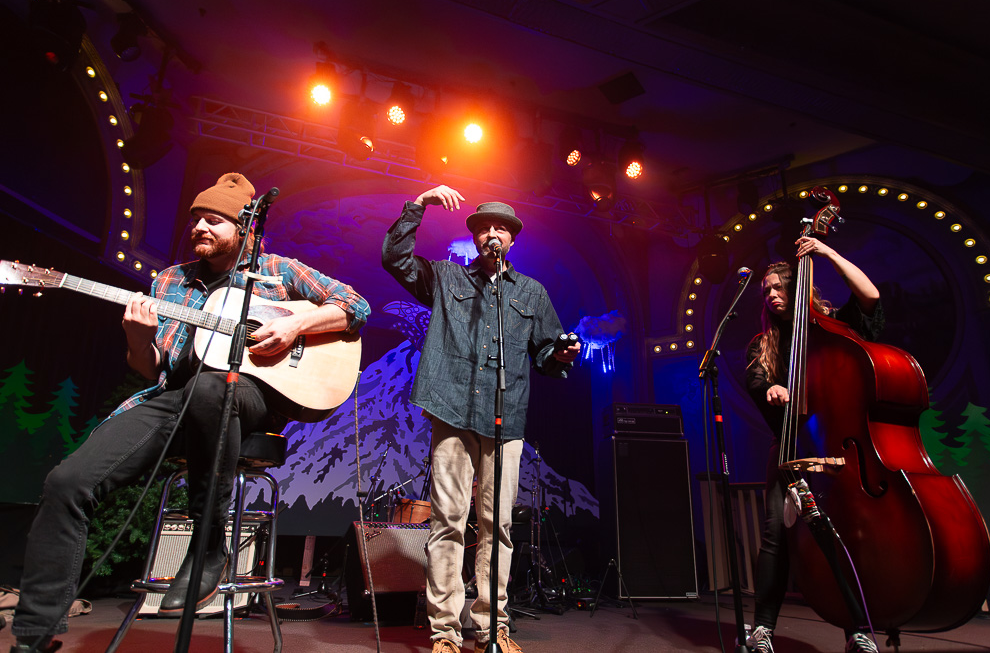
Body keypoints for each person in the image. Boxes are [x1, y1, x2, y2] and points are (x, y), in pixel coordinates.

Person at [9, 173, 370, 652]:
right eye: (196, 218)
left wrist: (295, 324)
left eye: (214, 219)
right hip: (170, 400)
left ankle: (207, 543)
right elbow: (153, 367)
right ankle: (34, 636)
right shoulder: (169, 280)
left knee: (210, 387)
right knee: (67, 483)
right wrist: (138, 338)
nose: (200, 226)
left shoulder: (279, 271)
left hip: (250, 397)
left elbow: (355, 305)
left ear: (242, 227)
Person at [382, 185, 580, 653]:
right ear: (475, 237)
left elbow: (549, 355)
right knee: (448, 521)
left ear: (512, 239)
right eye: (483, 227)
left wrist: (562, 352)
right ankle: (445, 632)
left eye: (501, 228)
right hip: (451, 410)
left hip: (505, 419)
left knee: (499, 526)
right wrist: (419, 206)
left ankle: (493, 626)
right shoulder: (449, 279)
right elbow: (395, 259)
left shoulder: (531, 293)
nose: (491, 233)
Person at [744, 236, 883, 653]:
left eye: (777, 287)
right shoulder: (761, 346)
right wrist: (771, 388)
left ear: (797, 288)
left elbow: (871, 296)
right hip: (788, 449)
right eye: (765, 290)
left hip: (836, 450)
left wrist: (829, 253)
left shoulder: (834, 328)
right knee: (774, 537)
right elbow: (757, 384)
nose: (770, 295)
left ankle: (858, 631)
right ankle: (762, 630)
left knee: (839, 538)